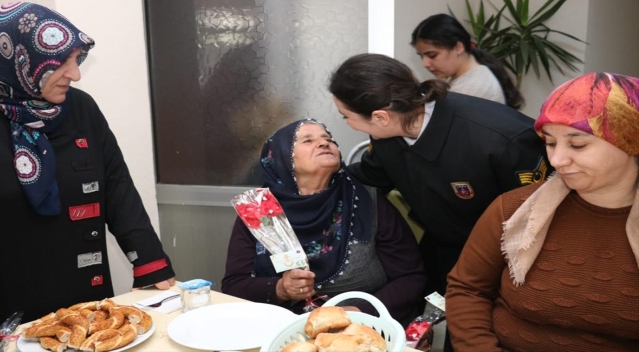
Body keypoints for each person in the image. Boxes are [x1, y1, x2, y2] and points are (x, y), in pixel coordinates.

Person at [329, 53, 551, 351]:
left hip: (508, 262)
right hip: (444, 249)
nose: (348, 123)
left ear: (380, 116)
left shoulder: (500, 137)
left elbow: (541, 214)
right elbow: (370, 176)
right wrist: (315, 180)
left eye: (346, 116)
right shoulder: (388, 136)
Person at [0, 2, 175, 326]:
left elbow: (117, 188)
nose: (74, 74)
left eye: (77, 61)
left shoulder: (81, 108)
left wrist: (150, 265)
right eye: (61, 63)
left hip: (85, 304)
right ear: (19, 58)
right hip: (6, 312)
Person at [445, 72, 639, 351]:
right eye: (549, 142)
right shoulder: (513, 209)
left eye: (578, 144)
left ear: (630, 142)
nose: (558, 160)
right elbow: (467, 288)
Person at [222, 119, 426, 326]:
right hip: (284, 330)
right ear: (280, 158)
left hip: (362, 329)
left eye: (328, 139)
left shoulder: (367, 201)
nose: (324, 143)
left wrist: (358, 312)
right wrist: (281, 289)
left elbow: (410, 277)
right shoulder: (259, 211)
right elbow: (234, 285)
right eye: (307, 140)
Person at [411, 13, 524, 109]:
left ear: (458, 47)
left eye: (432, 55)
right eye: (421, 56)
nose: (425, 63)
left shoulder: (475, 88)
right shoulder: (462, 77)